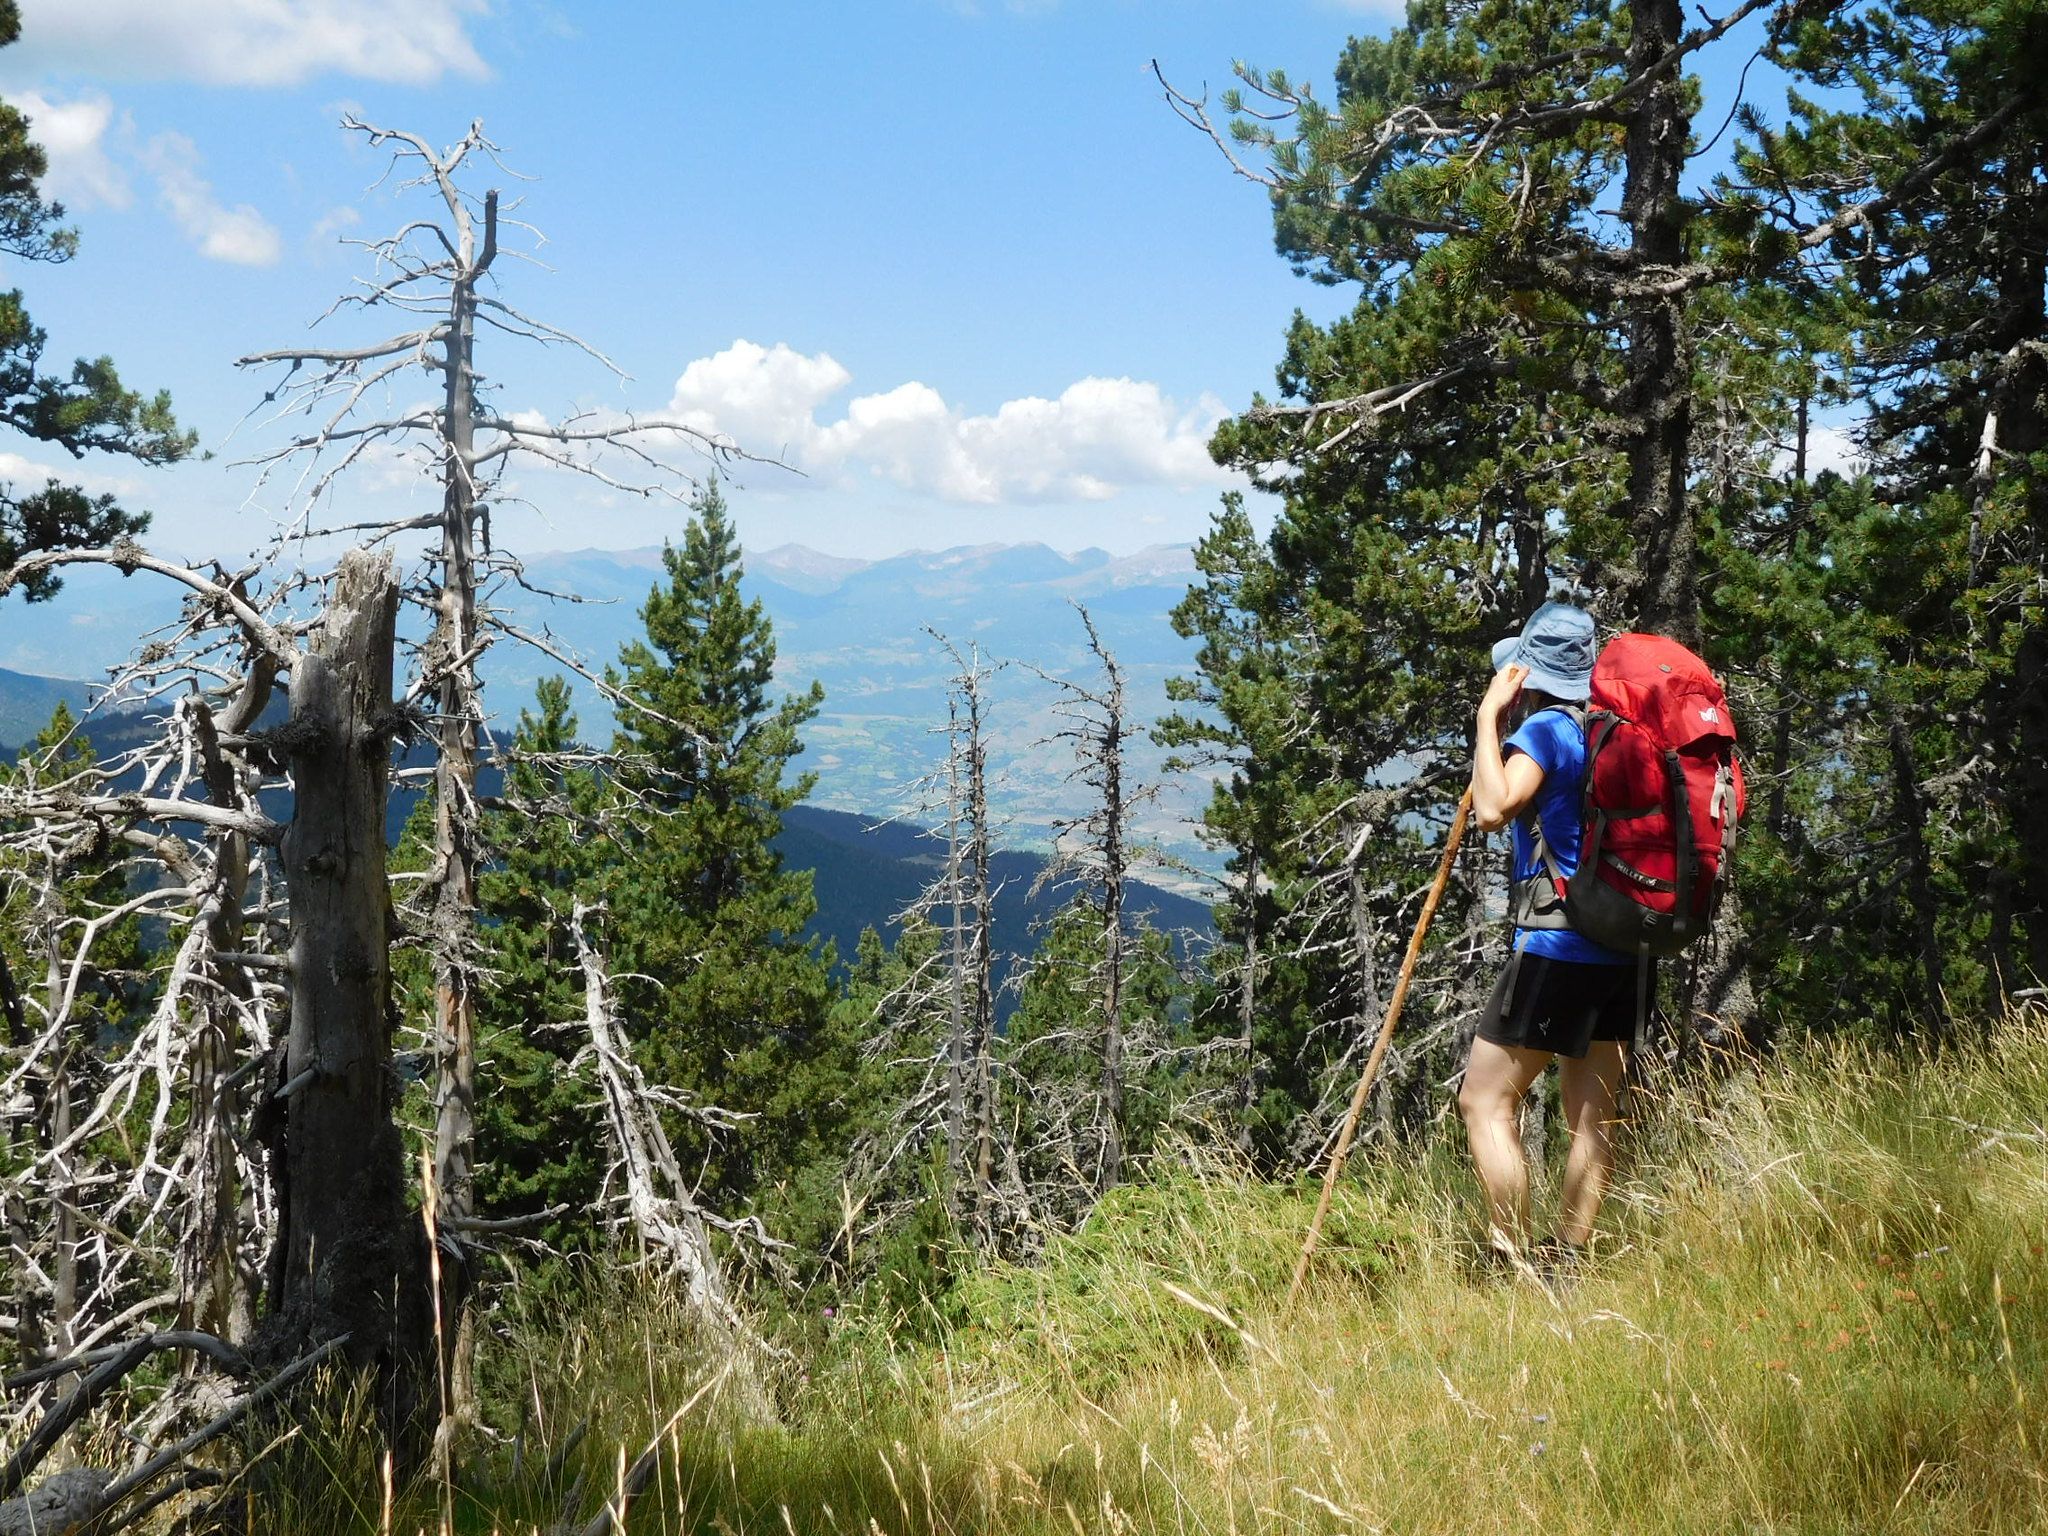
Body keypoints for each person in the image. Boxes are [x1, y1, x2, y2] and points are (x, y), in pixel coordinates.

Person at [1458, 600, 1638, 1275]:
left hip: (1558, 948)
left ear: (1527, 670)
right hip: (1620, 943)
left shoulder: (1546, 731)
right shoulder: (1612, 729)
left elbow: (1493, 808)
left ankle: (1508, 1256)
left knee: (1484, 1099)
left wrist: (1486, 720)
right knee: (1593, 1114)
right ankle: (1570, 1259)